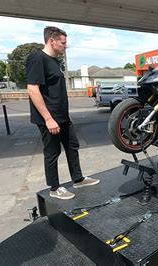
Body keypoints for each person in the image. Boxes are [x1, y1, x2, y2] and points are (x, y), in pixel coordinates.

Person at [26, 26, 99, 200]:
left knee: (72, 146)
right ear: (52, 41)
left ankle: (78, 179)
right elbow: (32, 89)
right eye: (63, 43)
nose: (66, 46)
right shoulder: (37, 59)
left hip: (62, 116)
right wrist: (48, 118)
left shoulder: (55, 61)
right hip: (49, 118)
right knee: (52, 152)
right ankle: (54, 187)